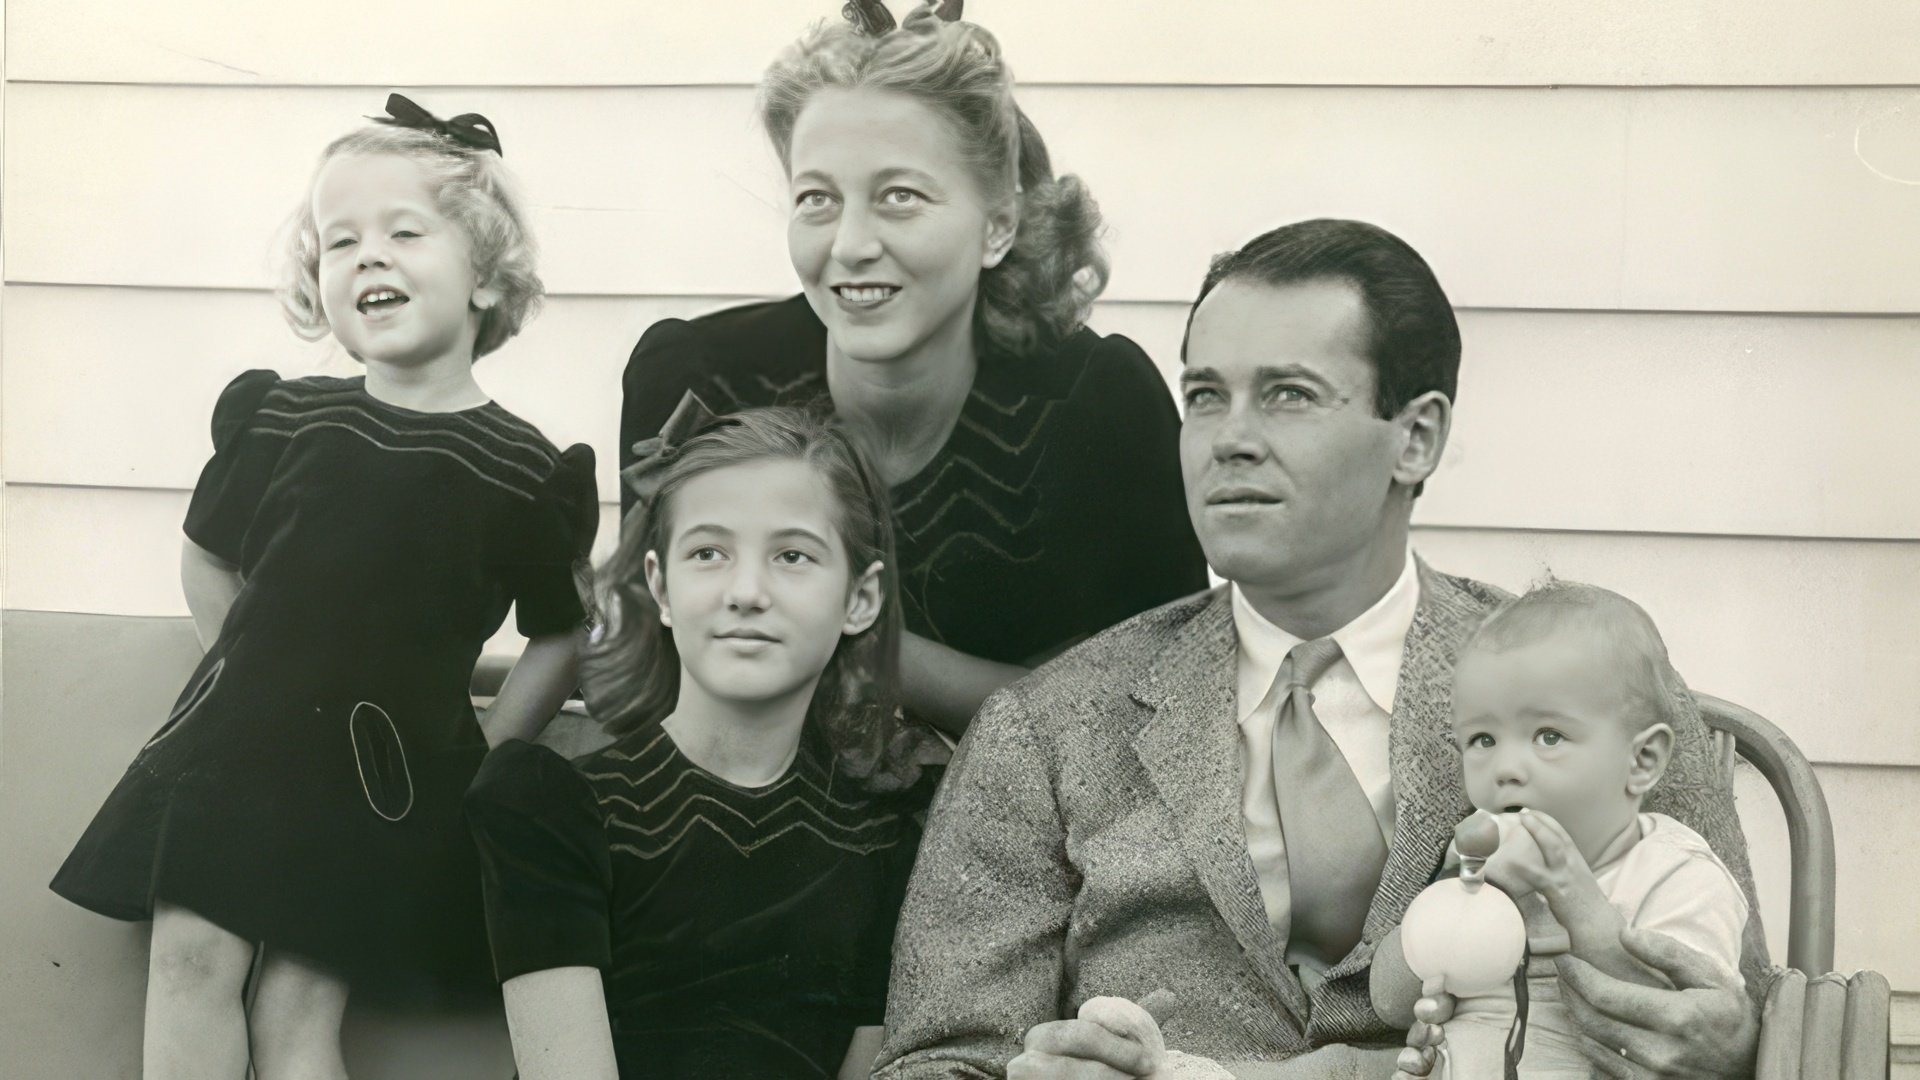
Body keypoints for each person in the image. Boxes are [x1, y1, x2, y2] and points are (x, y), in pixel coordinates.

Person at [876, 218, 1772, 1079]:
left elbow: (1740, 1015)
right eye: (1204, 396)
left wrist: (1724, 1046)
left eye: (1288, 395)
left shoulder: (1594, 691)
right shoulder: (1051, 732)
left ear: (1415, 437)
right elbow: (937, 1060)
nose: (1229, 439)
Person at [49, 96, 597, 1079]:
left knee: (297, 1012)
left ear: (485, 271)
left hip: (382, 778)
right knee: (188, 965)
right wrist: (251, 672)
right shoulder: (288, 418)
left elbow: (558, 636)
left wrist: (485, 760)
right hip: (240, 747)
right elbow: (207, 557)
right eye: (339, 241)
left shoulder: (524, 471)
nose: (367, 256)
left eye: (403, 232)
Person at [619, 1, 1209, 735]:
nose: (850, 245)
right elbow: (648, 682)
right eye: (817, 199)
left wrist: (850, 631)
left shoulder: (1098, 404)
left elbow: (1141, 712)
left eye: (899, 196)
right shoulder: (701, 382)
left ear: (998, 224)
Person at [466, 406, 944, 1080]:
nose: (746, 592)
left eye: (793, 556)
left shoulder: (886, 842)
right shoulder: (554, 805)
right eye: (709, 553)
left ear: (860, 599)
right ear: (661, 587)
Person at [1369, 582, 1750, 1078]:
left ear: (1641, 760)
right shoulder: (1477, 863)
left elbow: (1675, 1027)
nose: (1506, 767)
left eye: (1549, 736)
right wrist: (1457, 907)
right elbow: (1389, 1002)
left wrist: (1568, 889)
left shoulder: (1677, 873)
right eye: (1483, 738)